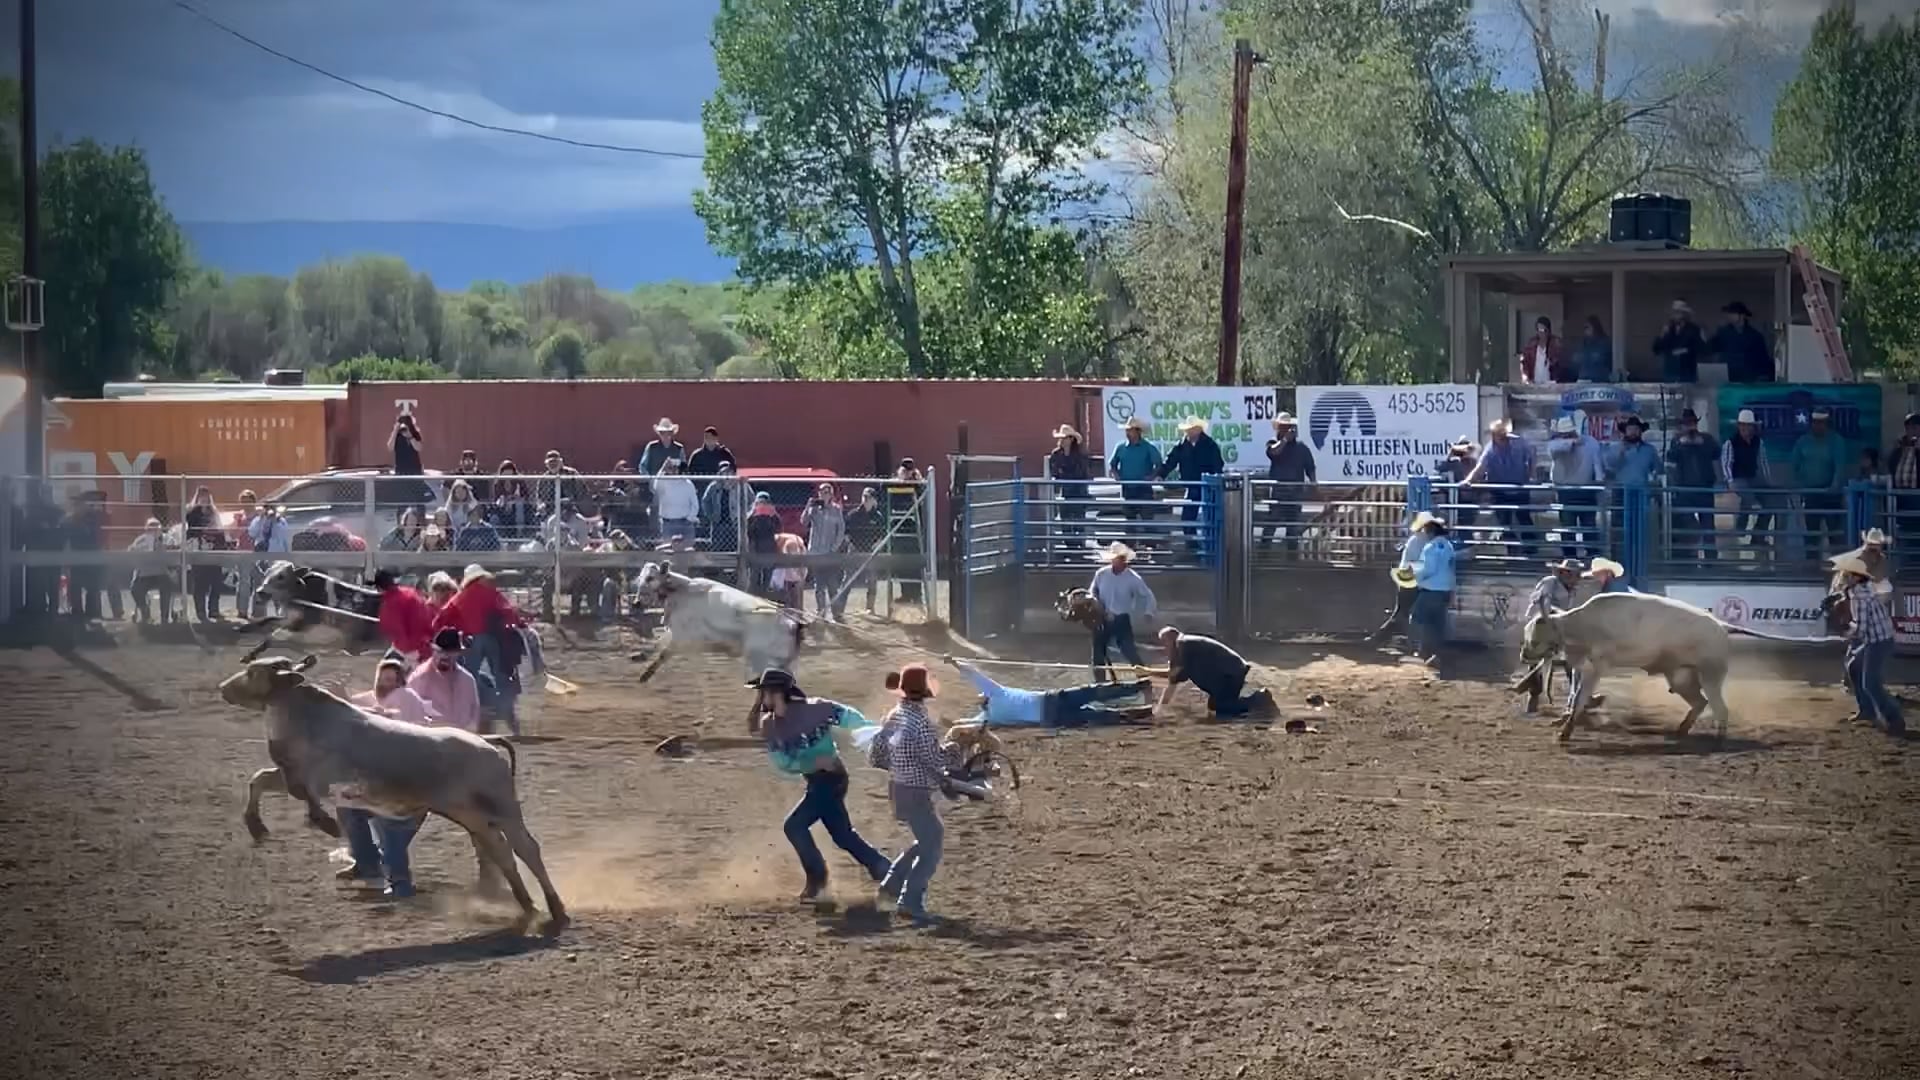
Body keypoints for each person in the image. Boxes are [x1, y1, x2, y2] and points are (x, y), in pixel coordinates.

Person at [745, 667, 891, 902]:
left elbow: (851, 718)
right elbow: (783, 764)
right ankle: (884, 869)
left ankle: (819, 880)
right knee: (843, 836)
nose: (761, 699)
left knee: (794, 826)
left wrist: (873, 734)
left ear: (776, 693)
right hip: (820, 779)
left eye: (764, 693)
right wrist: (812, 761)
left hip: (831, 779)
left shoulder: (815, 709)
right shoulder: (772, 725)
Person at [333, 655, 445, 897]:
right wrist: (341, 696)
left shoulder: (407, 698)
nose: (386, 685)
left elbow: (402, 725)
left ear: (401, 681)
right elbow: (354, 708)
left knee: (390, 824)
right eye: (383, 680)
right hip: (382, 774)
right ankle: (367, 864)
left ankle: (400, 885)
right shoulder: (373, 698)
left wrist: (378, 714)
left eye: (392, 680)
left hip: (407, 774)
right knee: (346, 802)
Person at [872, 664, 947, 924]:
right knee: (932, 845)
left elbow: (877, 754)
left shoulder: (894, 715)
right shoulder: (922, 723)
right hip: (917, 791)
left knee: (926, 840)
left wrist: (898, 767)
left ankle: (891, 887)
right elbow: (934, 760)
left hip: (898, 788)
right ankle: (910, 900)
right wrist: (956, 751)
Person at [949, 656, 1154, 728]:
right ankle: (1137, 689)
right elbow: (973, 674)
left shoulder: (990, 717)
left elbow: (968, 724)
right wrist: (955, 663)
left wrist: (954, 723)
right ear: (984, 698)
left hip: (1049, 716)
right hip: (1051, 700)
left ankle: (1135, 714)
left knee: (1094, 713)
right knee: (1095, 693)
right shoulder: (996, 695)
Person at [1834, 553, 1905, 738]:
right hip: (1878, 638)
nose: (1844, 577)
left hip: (1878, 642)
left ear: (1856, 577)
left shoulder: (1860, 597)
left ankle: (1894, 717)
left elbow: (1861, 630)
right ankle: (1867, 710)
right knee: (1854, 668)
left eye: (1847, 574)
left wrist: (1845, 630)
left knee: (1870, 683)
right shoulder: (1860, 591)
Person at [1155, 626, 1275, 719]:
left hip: (1230, 674)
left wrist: (1147, 672)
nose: (1164, 649)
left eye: (1164, 643)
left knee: (1222, 708)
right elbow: (1172, 683)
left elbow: (1172, 673)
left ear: (1171, 638)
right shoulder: (1184, 649)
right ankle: (1252, 702)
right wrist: (1160, 709)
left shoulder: (1183, 644)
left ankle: (1259, 699)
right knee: (1215, 706)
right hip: (1227, 675)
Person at [1510, 559, 1583, 713]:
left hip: (1554, 626)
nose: (1577, 579)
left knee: (1570, 660)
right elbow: (1543, 605)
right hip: (1538, 627)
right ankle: (1534, 699)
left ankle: (1578, 697)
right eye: (1575, 575)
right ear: (1565, 574)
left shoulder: (1570, 589)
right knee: (1538, 661)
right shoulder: (1550, 583)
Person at [1464, 419, 1536, 556]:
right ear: (1494, 436)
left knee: (1524, 517)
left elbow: (1532, 453)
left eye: (1504, 435)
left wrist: (1531, 474)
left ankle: (1531, 547)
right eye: (1500, 435)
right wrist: (1468, 480)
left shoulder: (1519, 443)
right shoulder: (1490, 450)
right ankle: (1512, 547)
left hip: (1519, 487)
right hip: (1500, 491)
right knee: (1504, 521)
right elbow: (1480, 468)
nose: (1503, 438)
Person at [1155, 417, 1225, 551]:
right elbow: (1170, 461)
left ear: (1198, 430)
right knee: (1187, 519)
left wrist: (1216, 479)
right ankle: (1192, 546)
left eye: (1191, 429)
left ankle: (1211, 548)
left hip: (1208, 486)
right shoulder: (1181, 445)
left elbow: (1218, 464)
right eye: (1187, 429)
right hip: (1192, 485)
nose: (1188, 432)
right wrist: (1161, 474)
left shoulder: (1210, 445)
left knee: (1210, 518)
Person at [1367, 510, 1437, 642]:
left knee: (1403, 612)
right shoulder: (1420, 541)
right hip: (1411, 579)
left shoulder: (1418, 539)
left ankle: (1383, 637)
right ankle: (1385, 637)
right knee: (1407, 612)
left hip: (1409, 578)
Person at [1088, 541, 1155, 678]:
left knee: (1129, 651)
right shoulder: (1101, 574)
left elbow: (1147, 595)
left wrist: (1149, 611)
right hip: (1102, 617)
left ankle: (1143, 678)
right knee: (1098, 653)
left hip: (1121, 619)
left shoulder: (1133, 578)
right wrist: (1095, 603)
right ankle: (1099, 682)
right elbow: (1093, 591)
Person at [1789, 408, 1847, 559]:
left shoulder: (1836, 441)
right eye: (1815, 423)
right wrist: (1800, 487)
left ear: (1827, 423)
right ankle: (1812, 566)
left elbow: (1840, 466)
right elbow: (1795, 465)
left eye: (1821, 423)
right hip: (1811, 495)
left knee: (1834, 533)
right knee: (1811, 534)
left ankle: (1838, 568)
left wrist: (1834, 486)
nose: (1818, 426)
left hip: (1831, 495)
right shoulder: (1803, 441)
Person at [1665, 408, 1720, 563]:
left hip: (1704, 489)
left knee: (1708, 525)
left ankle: (1710, 559)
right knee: (1688, 525)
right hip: (1685, 490)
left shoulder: (1707, 439)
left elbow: (1717, 453)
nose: (1690, 427)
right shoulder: (1677, 441)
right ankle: (1690, 555)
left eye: (1692, 423)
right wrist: (1682, 444)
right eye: (1687, 424)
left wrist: (1702, 444)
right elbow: (1671, 458)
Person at [1546, 416, 1603, 560]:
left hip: (1585, 490)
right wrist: (1572, 442)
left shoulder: (1590, 443)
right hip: (1567, 491)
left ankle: (1591, 558)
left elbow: (1597, 466)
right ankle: (1571, 559)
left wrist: (1598, 482)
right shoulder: (1556, 445)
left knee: (1588, 528)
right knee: (1568, 529)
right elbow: (1556, 449)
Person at [409, 627, 483, 733]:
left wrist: (471, 732)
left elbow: (475, 712)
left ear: (458, 653)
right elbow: (411, 716)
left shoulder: (468, 680)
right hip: (431, 743)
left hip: (464, 742)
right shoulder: (419, 679)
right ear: (433, 650)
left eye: (450, 652)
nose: (444, 656)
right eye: (440, 651)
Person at [1721, 409, 1775, 551]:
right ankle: (1741, 529)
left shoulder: (1758, 442)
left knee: (1769, 504)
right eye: (1742, 425)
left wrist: (1768, 481)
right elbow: (1726, 463)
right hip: (1738, 478)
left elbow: (1763, 462)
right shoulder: (1730, 442)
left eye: (1748, 425)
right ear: (1738, 426)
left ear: (1752, 427)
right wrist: (1730, 480)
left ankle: (1757, 535)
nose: (1745, 428)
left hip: (1753, 477)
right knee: (1750, 499)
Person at [1262, 412, 1316, 552]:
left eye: (1289, 427)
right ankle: (1263, 552)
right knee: (1271, 523)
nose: (1287, 429)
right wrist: (1285, 440)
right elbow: (1274, 453)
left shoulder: (1302, 448)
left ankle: (1292, 554)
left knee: (1292, 527)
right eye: (1283, 427)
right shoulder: (1272, 443)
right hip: (1279, 492)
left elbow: (1310, 467)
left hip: (1295, 493)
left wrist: (1314, 485)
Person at [1408, 514, 1456, 667]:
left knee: (1418, 618)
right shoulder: (1448, 546)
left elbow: (1428, 569)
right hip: (1444, 589)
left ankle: (1423, 650)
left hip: (1430, 589)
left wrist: (1414, 575)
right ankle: (1434, 653)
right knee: (1437, 623)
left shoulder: (1429, 548)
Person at [1108, 415, 1164, 534]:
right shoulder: (1121, 447)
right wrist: (1115, 474)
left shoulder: (1148, 447)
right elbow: (1113, 464)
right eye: (1127, 430)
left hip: (1143, 488)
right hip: (1127, 488)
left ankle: (1151, 545)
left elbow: (1159, 465)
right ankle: (1131, 546)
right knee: (1129, 521)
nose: (1127, 432)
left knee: (1147, 520)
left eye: (1130, 430)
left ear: (1138, 432)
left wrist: (1151, 476)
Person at [801, 483, 849, 619]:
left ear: (831, 495)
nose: (824, 494)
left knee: (833, 584)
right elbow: (804, 522)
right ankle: (821, 612)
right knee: (819, 585)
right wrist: (808, 507)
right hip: (816, 552)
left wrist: (835, 547)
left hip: (830, 553)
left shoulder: (836, 509)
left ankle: (836, 613)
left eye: (827, 492)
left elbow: (841, 530)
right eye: (822, 492)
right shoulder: (814, 509)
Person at [374, 568, 437, 667]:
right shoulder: (410, 592)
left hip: (413, 649)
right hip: (427, 644)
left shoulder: (390, 604)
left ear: (379, 588)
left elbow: (397, 632)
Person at [183, 486, 228, 622]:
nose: (205, 499)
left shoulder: (213, 512)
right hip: (199, 548)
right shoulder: (192, 511)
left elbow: (219, 528)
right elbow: (190, 530)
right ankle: (201, 611)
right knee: (200, 583)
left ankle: (213, 610)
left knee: (216, 581)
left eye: (207, 496)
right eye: (202, 496)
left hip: (213, 548)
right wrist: (199, 510)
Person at [1047, 424, 1094, 545]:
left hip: (1078, 491)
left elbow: (1084, 473)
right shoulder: (1056, 455)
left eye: (1065, 438)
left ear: (1071, 439)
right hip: (1065, 492)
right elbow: (1054, 471)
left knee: (1079, 520)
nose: (1062, 440)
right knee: (1066, 522)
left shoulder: (1080, 455)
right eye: (1061, 438)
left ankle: (1079, 545)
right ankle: (1069, 546)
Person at [127, 518, 178, 625]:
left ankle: (165, 617)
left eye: (156, 527)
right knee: (135, 589)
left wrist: (164, 549)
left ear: (160, 529)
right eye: (150, 528)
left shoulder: (168, 539)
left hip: (163, 572)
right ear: (146, 529)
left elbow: (175, 556)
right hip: (144, 573)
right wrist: (134, 550)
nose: (154, 530)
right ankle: (145, 612)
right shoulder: (140, 540)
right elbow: (131, 554)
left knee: (166, 586)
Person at [1710, 301, 1773, 383]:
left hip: (1748, 378)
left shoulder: (1755, 336)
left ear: (1742, 316)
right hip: (1728, 378)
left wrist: (1762, 375)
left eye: (1732, 313)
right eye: (1728, 313)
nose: (1729, 316)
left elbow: (1763, 358)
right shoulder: (1723, 333)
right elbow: (1711, 348)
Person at [844, 486, 885, 613]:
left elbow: (883, 534)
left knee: (872, 580)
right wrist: (850, 544)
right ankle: (840, 607)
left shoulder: (878, 517)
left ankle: (870, 608)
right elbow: (846, 532)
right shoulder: (853, 514)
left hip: (871, 553)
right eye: (864, 497)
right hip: (855, 551)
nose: (866, 500)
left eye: (869, 497)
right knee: (848, 579)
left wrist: (877, 545)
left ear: (874, 500)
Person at [1435, 435, 1481, 535]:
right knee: (1455, 528)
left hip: (1472, 503)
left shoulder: (1475, 463)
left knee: (1468, 530)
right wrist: (1450, 454)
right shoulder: (1454, 464)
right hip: (1456, 502)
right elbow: (1440, 468)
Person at [1653, 300, 1706, 383]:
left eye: (1679, 312)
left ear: (1685, 314)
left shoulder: (1694, 329)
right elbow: (1656, 349)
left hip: (1687, 371)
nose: (1676, 315)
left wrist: (1684, 350)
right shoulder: (1668, 328)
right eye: (1674, 312)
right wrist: (1661, 335)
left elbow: (1700, 349)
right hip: (1670, 371)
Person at [653, 458, 701, 546]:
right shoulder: (663, 482)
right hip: (668, 524)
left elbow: (695, 504)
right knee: (668, 552)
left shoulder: (688, 484)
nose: (673, 470)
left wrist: (689, 518)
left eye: (676, 468)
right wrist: (662, 468)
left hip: (685, 524)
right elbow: (655, 487)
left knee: (687, 552)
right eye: (671, 468)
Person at [746, 491, 781, 597]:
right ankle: (752, 598)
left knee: (767, 577)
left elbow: (779, 528)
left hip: (769, 549)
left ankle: (764, 598)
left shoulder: (771, 516)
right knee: (754, 578)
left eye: (765, 502)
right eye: (760, 501)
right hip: (755, 549)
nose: (762, 504)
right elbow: (747, 530)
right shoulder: (752, 515)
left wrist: (774, 514)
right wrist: (753, 512)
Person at [1517, 316, 1566, 384]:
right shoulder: (1531, 344)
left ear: (1549, 330)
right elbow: (1525, 363)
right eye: (1539, 330)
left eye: (1544, 330)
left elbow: (1561, 365)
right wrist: (1526, 379)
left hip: (1551, 384)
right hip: (1534, 384)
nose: (1541, 333)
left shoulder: (1555, 344)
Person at [1573, 316, 1613, 383]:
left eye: (1587, 327)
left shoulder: (1604, 342)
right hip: (1583, 379)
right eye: (1584, 328)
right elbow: (1575, 359)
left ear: (1595, 327)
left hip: (1599, 380)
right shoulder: (1584, 343)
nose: (1585, 331)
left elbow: (1601, 359)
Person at [390, 407, 424, 476]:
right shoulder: (397, 435)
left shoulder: (415, 434)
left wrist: (410, 436)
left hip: (414, 470)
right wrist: (395, 430)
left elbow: (419, 448)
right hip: (401, 470)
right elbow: (390, 448)